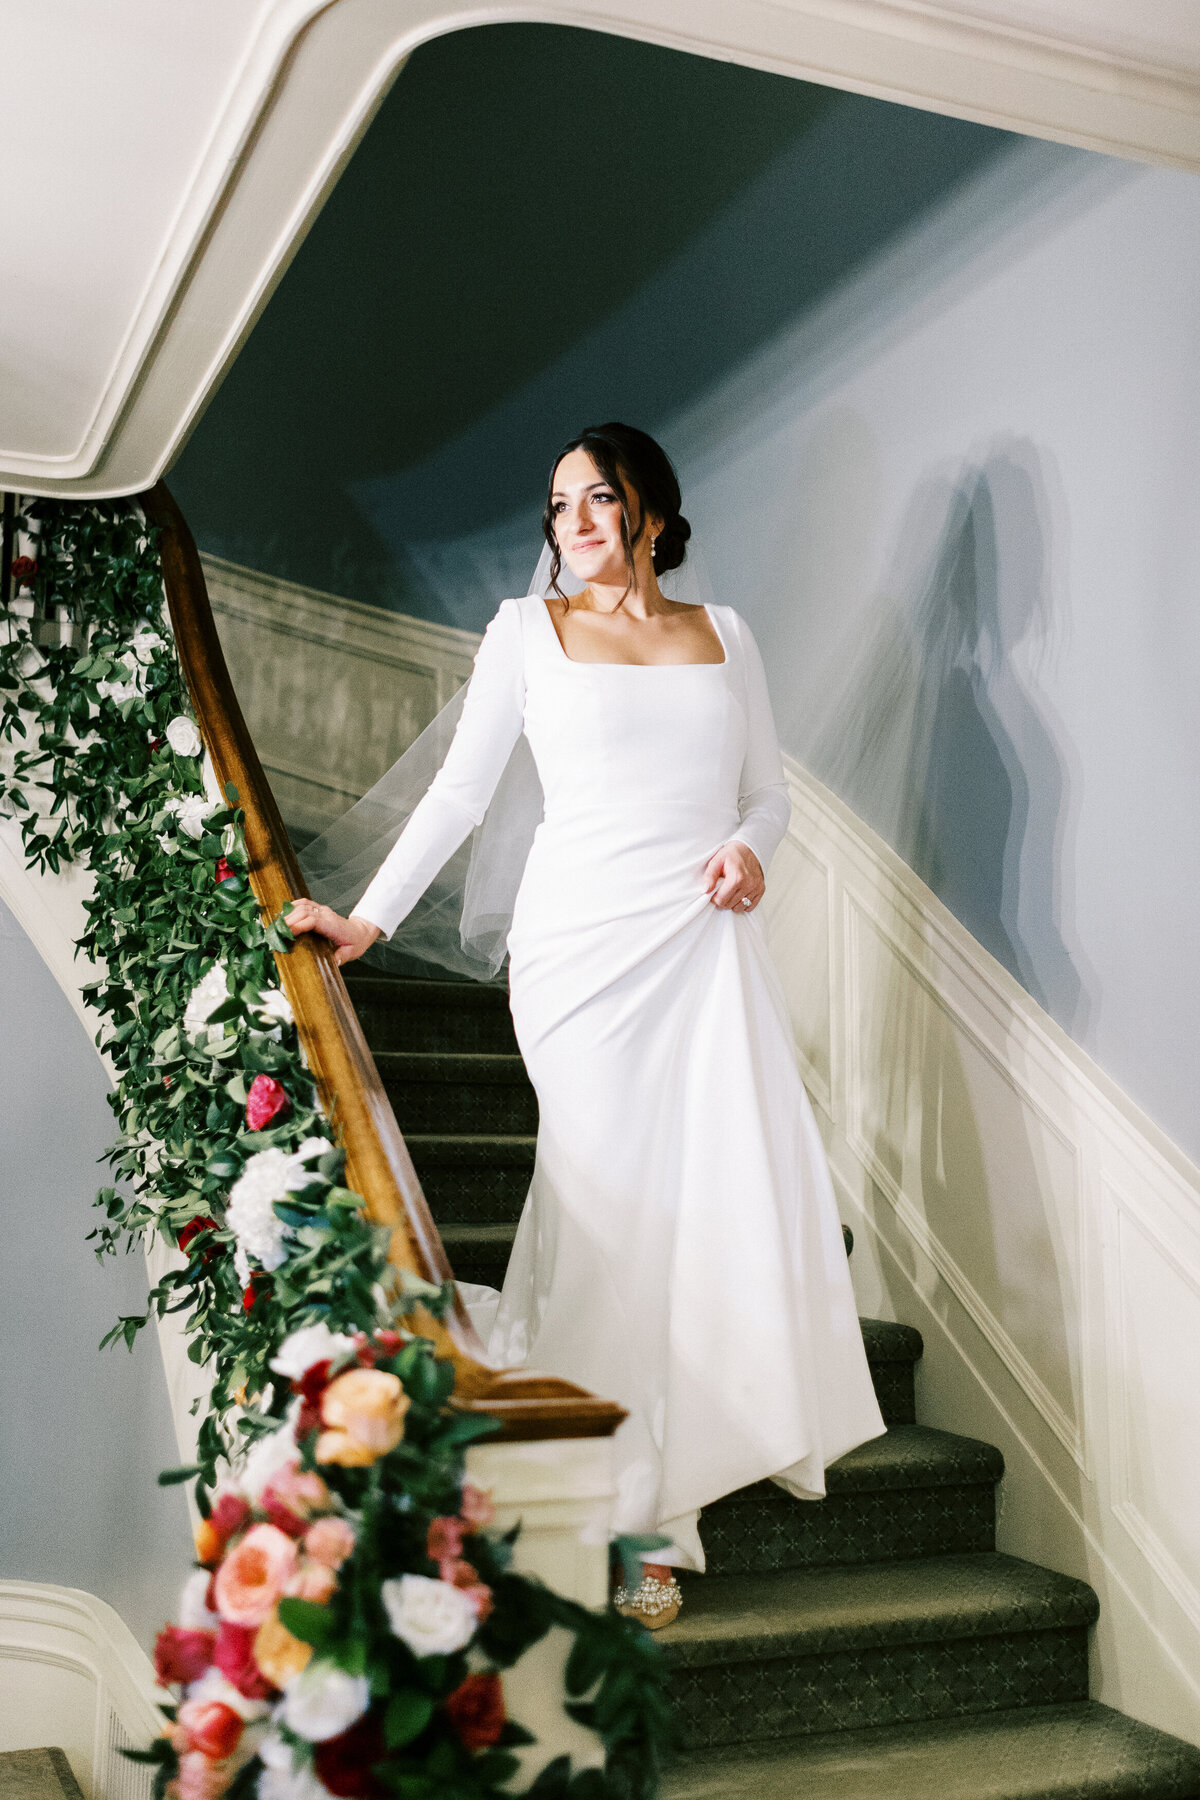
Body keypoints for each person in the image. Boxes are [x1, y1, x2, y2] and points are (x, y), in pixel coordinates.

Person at [285, 422, 886, 1628]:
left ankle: (657, 1456)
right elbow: (461, 786)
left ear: (652, 512)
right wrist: (370, 922)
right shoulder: (527, 634)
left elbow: (766, 791)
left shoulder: (728, 638)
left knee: (699, 1202)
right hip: (576, 955)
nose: (574, 523)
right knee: (610, 1199)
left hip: (701, 941)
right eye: (559, 506)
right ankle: (631, 1511)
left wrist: (748, 851)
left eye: (597, 499)